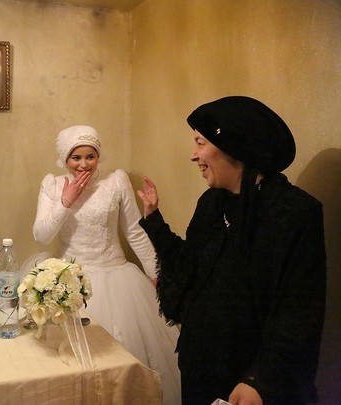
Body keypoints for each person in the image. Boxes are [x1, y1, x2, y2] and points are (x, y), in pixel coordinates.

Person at [137, 96, 326, 404]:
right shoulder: (212, 203)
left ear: (233, 146)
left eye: (200, 143)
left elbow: (299, 310)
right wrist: (153, 220)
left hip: (253, 384)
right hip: (201, 370)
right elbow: (191, 267)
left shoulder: (294, 212)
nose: (194, 155)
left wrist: (259, 381)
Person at [32, 125, 181, 404]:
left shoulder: (116, 181)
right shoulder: (52, 184)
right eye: (76, 158)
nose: (84, 164)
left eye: (91, 156)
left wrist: (156, 274)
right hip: (70, 280)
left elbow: (135, 232)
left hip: (117, 277)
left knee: (122, 361)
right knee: (73, 365)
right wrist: (65, 202)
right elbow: (41, 235)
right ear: (64, 158)